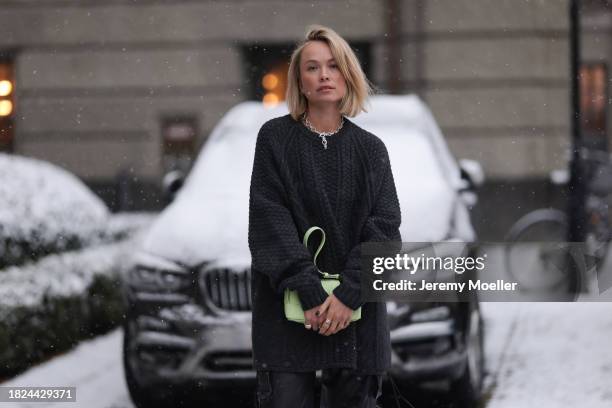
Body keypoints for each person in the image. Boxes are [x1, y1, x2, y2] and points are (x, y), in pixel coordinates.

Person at [248, 24, 402, 408]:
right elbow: (270, 219)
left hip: (358, 314)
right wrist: (310, 290)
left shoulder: (371, 149)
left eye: (333, 66)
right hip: (288, 310)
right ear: (299, 81)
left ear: (348, 74)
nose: (324, 76)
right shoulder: (274, 139)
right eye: (312, 68)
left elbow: (384, 228)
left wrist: (349, 294)